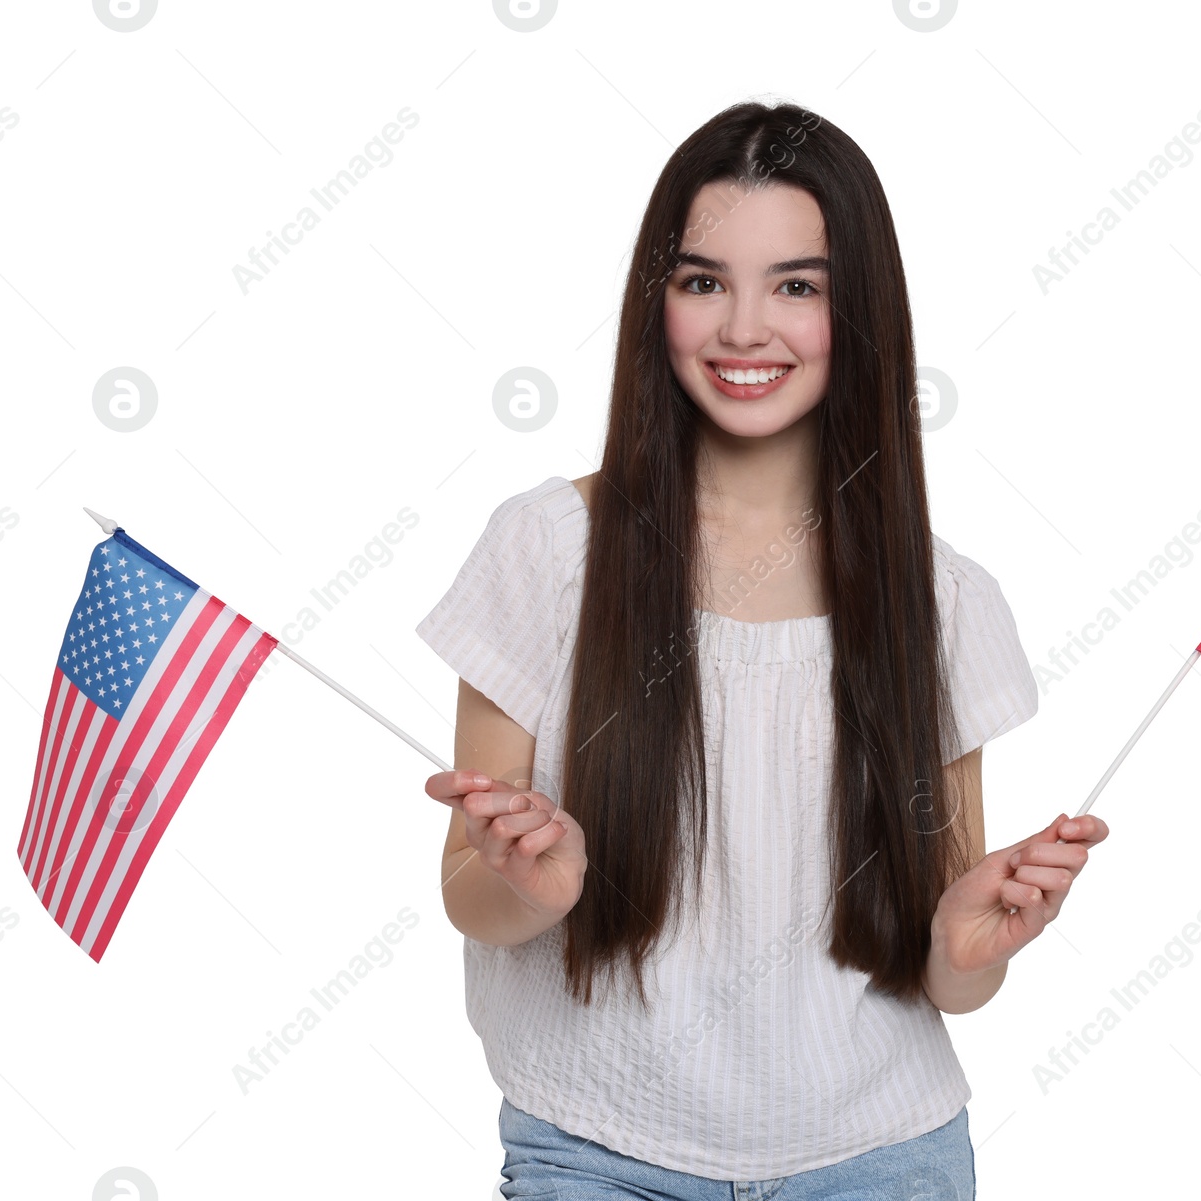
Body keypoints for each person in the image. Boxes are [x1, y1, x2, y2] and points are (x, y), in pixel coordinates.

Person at [416, 98, 1108, 1200]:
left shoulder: (946, 600)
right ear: (660, 303)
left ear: (860, 312)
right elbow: (468, 891)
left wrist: (973, 950)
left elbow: (944, 974)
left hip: (883, 1155)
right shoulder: (547, 549)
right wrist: (533, 886)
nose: (744, 329)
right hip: (597, 1148)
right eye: (702, 282)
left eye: (796, 285)